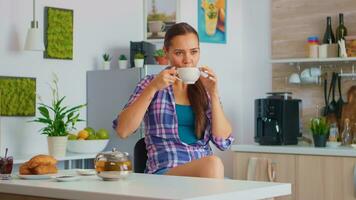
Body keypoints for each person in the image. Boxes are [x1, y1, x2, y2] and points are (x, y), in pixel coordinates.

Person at [113, 22, 234, 178]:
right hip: (166, 172)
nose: (188, 60)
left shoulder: (206, 89)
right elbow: (123, 130)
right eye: (179, 53)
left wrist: (214, 94)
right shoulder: (150, 83)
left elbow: (223, 142)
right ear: (166, 52)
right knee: (213, 164)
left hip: (206, 173)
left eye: (193, 52)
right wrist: (153, 88)